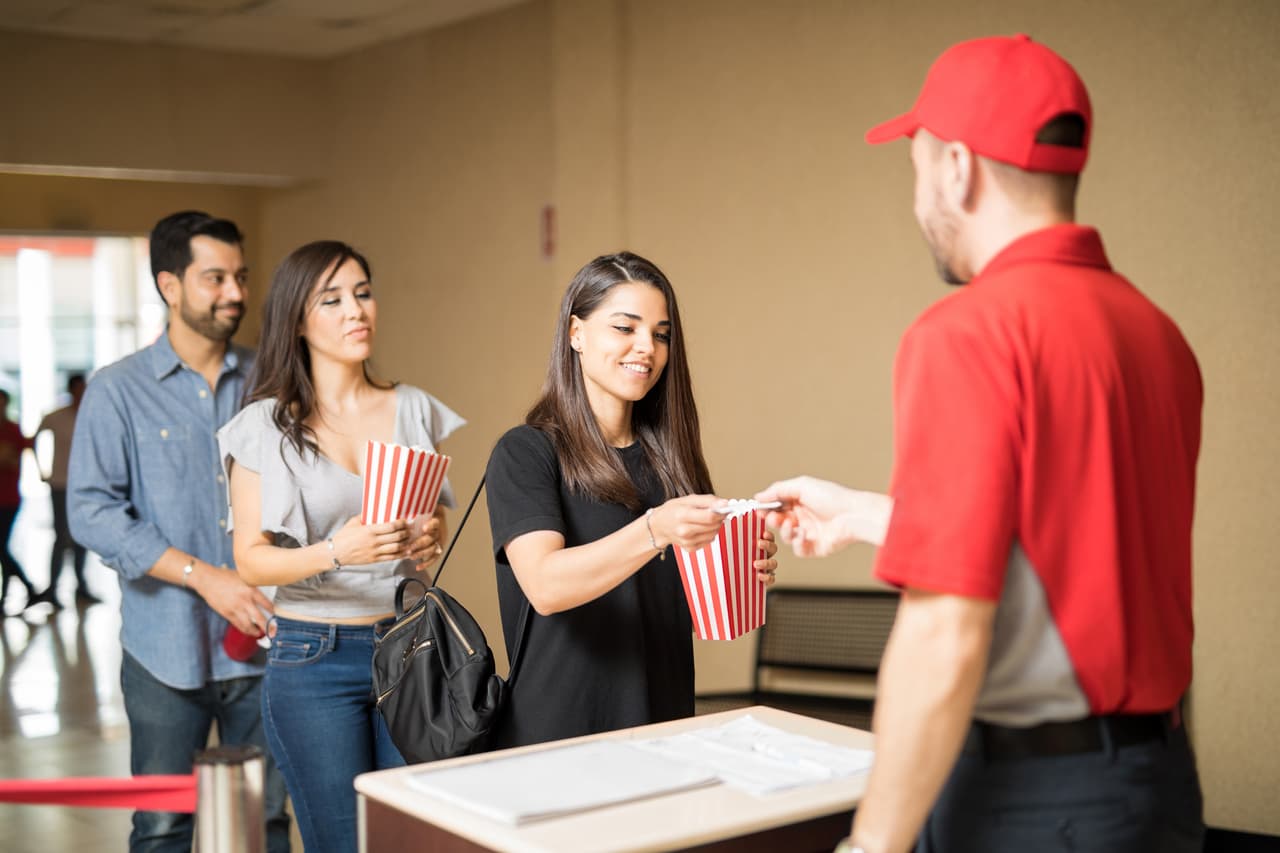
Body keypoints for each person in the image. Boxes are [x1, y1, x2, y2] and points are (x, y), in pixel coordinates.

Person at [757, 35, 1204, 853]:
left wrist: (873, 842)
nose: (919, 193)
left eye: (918, 166)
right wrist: (858, 513)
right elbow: (1067, 541)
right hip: (1156, 788)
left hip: (1032, 804)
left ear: (958, 168)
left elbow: (945, 631)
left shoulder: (969, 333)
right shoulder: (1158, 336)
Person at [219, 240, 461, 853]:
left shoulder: (413, 408)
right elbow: (250, 559)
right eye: (332, 300)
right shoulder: (263, 426)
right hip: (312, 657)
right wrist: (337, 551)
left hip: (408, 648)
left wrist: (427, 534)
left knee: (412, 838)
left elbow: (429, 523)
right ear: (298, 321)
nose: (357, 311)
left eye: (363, 293)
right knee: (339, 843)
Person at [484, 251, 778, 749]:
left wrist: (740, 567)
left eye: (661, 335)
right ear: (576, 333)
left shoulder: (672, 459)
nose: (647, 348)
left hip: (664, 725)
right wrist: (655, 530)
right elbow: (545, 586)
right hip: (560, 733)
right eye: (625, 328)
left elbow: (672, 602)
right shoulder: (526, 451)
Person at [68, 211, 291, 853]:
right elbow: (91, 510)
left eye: (240, 277)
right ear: (170, 285)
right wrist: (205, 576)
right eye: (215, 277)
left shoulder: (271, 383)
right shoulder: (117, 391)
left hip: (268, 644)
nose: (236, 293)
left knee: (267, 821)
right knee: (165, 827)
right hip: (164, 652)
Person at [31, 373, 98, 608]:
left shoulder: (92, 415)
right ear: (71, 390)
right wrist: (41, 470)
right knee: (62, 537)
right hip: (60, 484)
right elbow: (33, 439)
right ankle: (53, 589)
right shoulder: (57, 416)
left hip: (86, 485)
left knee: (82, 537)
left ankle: (81, 586)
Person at [0, 388, 38, 615]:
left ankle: (12, 594)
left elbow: (17, 457)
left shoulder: (13, 429)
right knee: (2, 550)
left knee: (2, 549)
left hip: (8, 498)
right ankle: (24, 590)